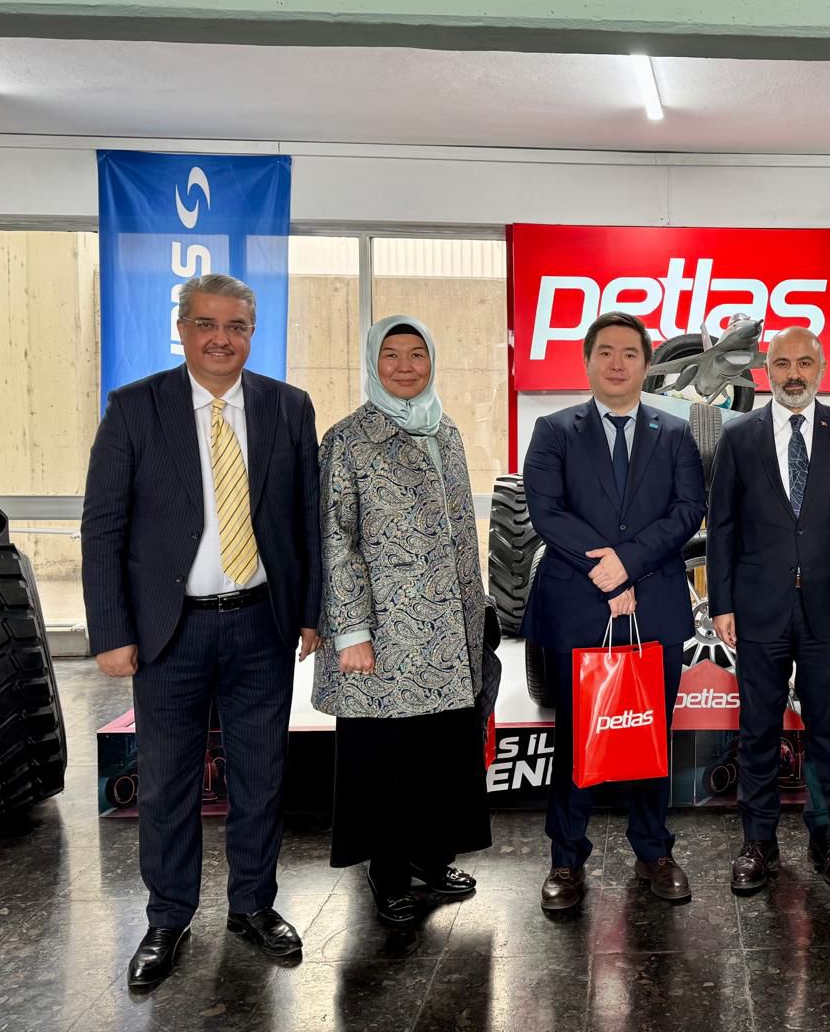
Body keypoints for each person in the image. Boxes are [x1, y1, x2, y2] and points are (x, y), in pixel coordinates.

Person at [81, 273, 322, 988]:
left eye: (237, 326)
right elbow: (103, 526)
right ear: (182, 329)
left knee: (261, 777)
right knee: (166, 783)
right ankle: (168, 917)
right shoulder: (135, 407)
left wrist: (311, 611)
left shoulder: (288, 407)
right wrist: (110, 630)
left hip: (261, 624)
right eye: (208, 324)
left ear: (252, 333)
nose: (222, 339)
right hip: (170, 631)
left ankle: (253, 905)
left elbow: (307, 519)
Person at [521, 312, 707, 911]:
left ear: (647, 364)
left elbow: (688, 510)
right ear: (587, 362)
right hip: (577, 605)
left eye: (630, 352)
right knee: (577, 735)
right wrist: (604, 573)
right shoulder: (553, 430)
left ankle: (653, 850)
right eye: (605, 352)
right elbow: (546, 512)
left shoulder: (674, 433)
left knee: (650, 732)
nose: (617, 363)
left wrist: (627, 564)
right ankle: (566, 857)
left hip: (654, 603)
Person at [313, 316, 492, 927]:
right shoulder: (348, 439)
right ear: (373, 363)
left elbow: (461, 533)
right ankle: (388, 873)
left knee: (439, 755)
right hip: (385, 635)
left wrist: (477, 613)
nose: (406, 366)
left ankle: (431, 860)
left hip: (448, 632)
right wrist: (351, 632)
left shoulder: (447, 431)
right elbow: (336, 539)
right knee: (385, 761)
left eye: (418, 354)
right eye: (391, 355)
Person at [706, 327, 830, 894]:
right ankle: (758, 841)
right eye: (782, 363)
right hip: (758, 609)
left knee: (828, 729)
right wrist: (722, 603)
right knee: (757, 729)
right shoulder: (739, 436)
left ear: (822, 369)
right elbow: (722, 528)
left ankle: (827, 838)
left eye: (805, 363)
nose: (794, 374)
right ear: (766, 371)